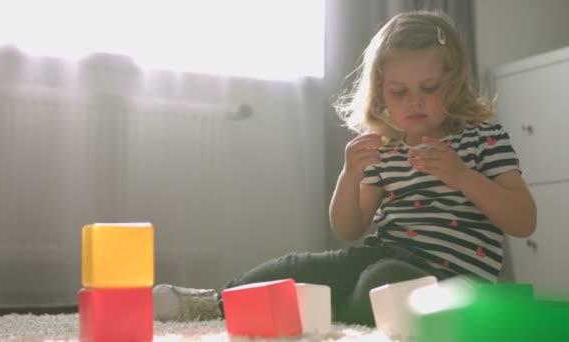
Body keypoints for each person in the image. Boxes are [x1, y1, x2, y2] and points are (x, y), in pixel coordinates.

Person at [153, 10, 537, 326]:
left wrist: (462, 176)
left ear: (453, 83)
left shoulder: (482, 137)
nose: (414, 102)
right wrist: (349, 175)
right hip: (382, 254)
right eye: (400, 92)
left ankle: (326, 319)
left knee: (380, 283)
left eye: (430, 88)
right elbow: (349, 229)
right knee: (296, 268)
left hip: (452, 283)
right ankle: (214, 303)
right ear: (381, 93)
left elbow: (524, 221)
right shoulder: (386, 146)